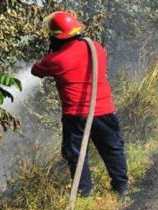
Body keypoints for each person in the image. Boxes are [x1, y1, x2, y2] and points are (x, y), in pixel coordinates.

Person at [31, 11, 129, 197]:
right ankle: (121, 187)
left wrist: (51, 51)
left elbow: (36, 70)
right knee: (112, 148)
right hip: (105, 110)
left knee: (75, 154)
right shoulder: (97, 48)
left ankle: (84, 192)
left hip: (76, 116)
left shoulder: (56, 60)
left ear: (56, 37)